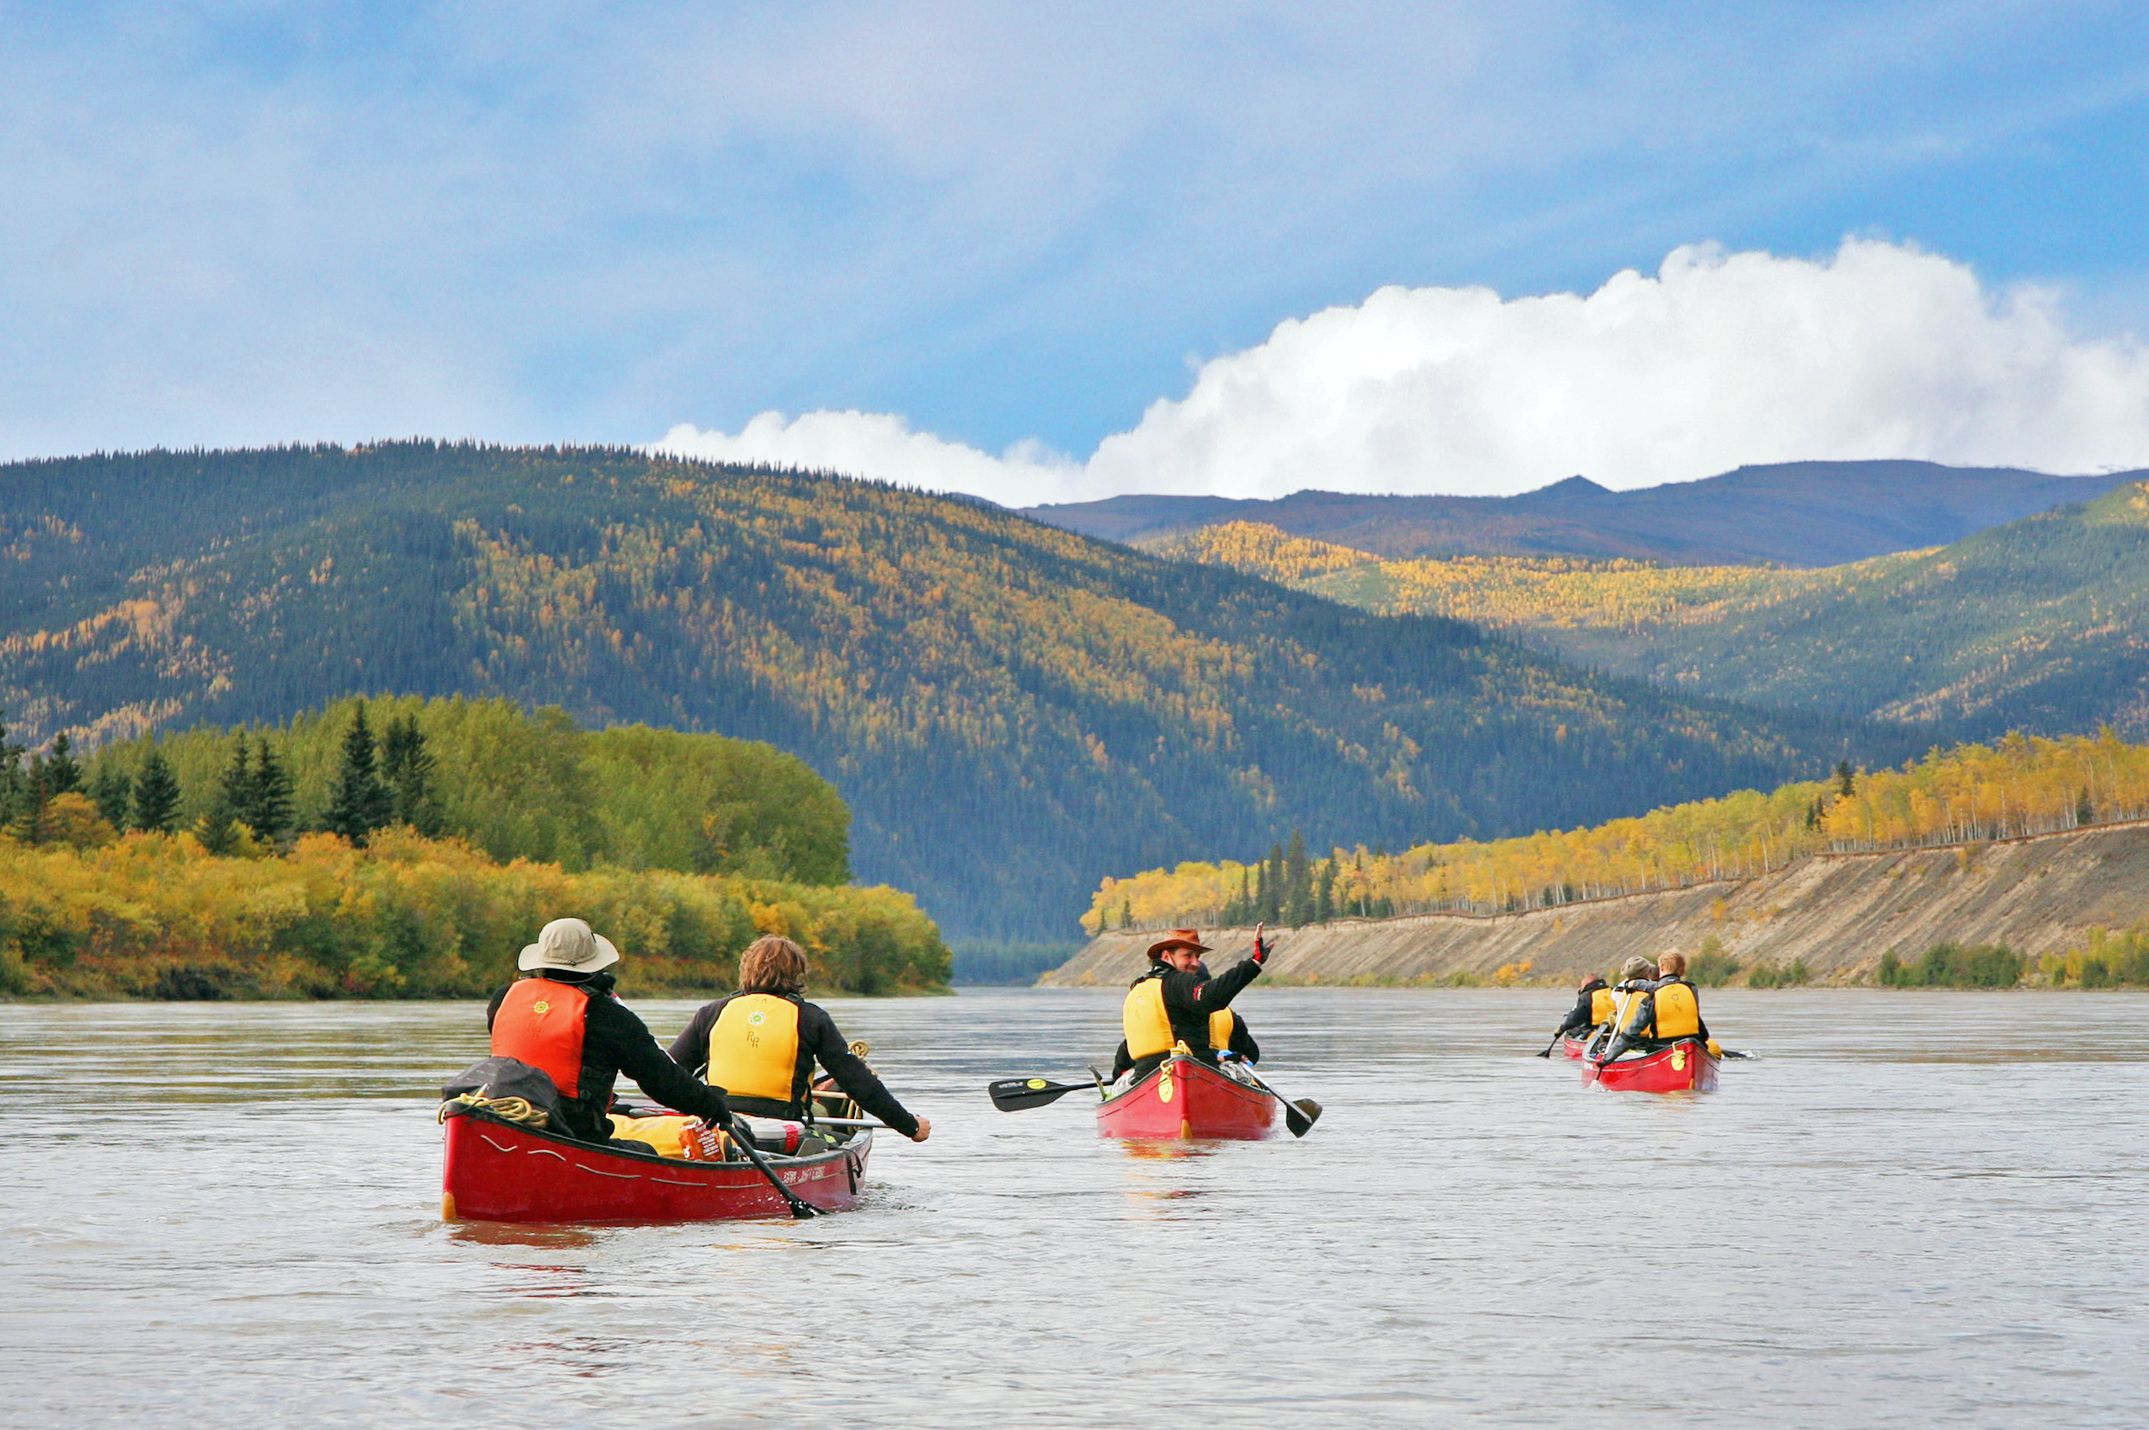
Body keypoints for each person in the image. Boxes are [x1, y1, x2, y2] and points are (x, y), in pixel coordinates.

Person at [486, 917, 733, 1144]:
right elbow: (661, 1080)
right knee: (645, 1152)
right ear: (593, 966)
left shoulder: (503, 998)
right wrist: (711, 1106)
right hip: (575, 1133)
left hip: (506, 1119)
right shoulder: (607, 1014)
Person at [669, 935, 932, 1143]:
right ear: (797, 974)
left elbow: (669, 1073)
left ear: (745, 970)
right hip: (783, 1129)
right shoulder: (810, 1018)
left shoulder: (711, 1013)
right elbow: (859, 1083)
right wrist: (910, 1126)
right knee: (828, 1128)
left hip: (721, 1126)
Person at [1115, 924, 1271, 1083]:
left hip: (1146, 1079)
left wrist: (1117, 1078)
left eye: (1197, 957)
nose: (1195, 963)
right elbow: (1210, 997)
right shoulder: (1178, 982)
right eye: (1188, 955)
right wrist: (1254, 963)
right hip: (1196, 1076)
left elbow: (1121, 1061)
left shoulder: (1137, 990)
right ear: (1167, 956)